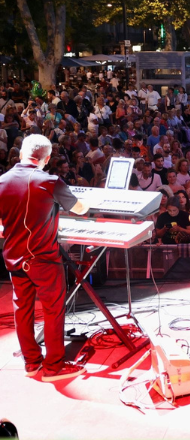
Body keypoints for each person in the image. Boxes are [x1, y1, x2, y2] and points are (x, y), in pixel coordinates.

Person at [0, 134, 90, 382]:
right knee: (52, 311)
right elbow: (80, 208)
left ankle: (31, 363)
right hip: (43, 260)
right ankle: (54, 367)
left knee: (22, 310)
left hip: (14, 258)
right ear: (47, 158)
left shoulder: (2, 181)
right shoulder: (51, 181)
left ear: (20, 154)